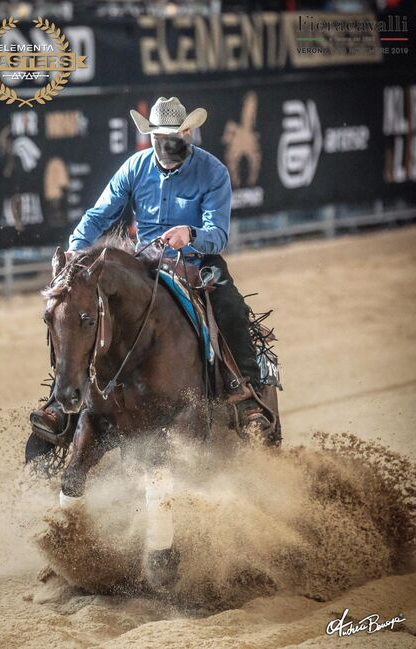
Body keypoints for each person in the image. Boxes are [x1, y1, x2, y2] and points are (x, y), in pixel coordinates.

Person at [31, 97, 275, 443]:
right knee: (77, 313)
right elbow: (99, 214)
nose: (166, 144)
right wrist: (75, 249)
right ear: (151, 136)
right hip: (143, 264)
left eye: (174, 137)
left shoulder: (213, 172)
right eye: (160, 138)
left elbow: (218, 235)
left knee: (232, 308)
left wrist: (190, 235)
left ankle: (244, 391)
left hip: (196, 262)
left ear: (188, 133)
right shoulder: (135, 167)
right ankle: (62, 399)